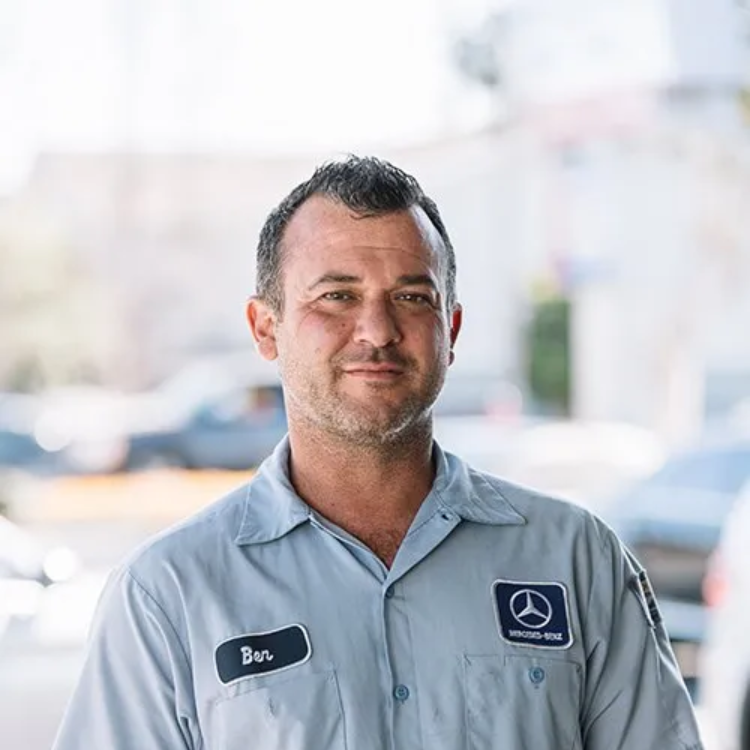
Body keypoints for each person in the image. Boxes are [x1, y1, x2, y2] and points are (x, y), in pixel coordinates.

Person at [52, 156, 704, 750]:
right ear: (265, 328)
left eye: (411, 297)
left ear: (450, 329)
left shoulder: (575, 559)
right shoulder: (170, 594)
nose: (378, 330)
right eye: (337, 295)